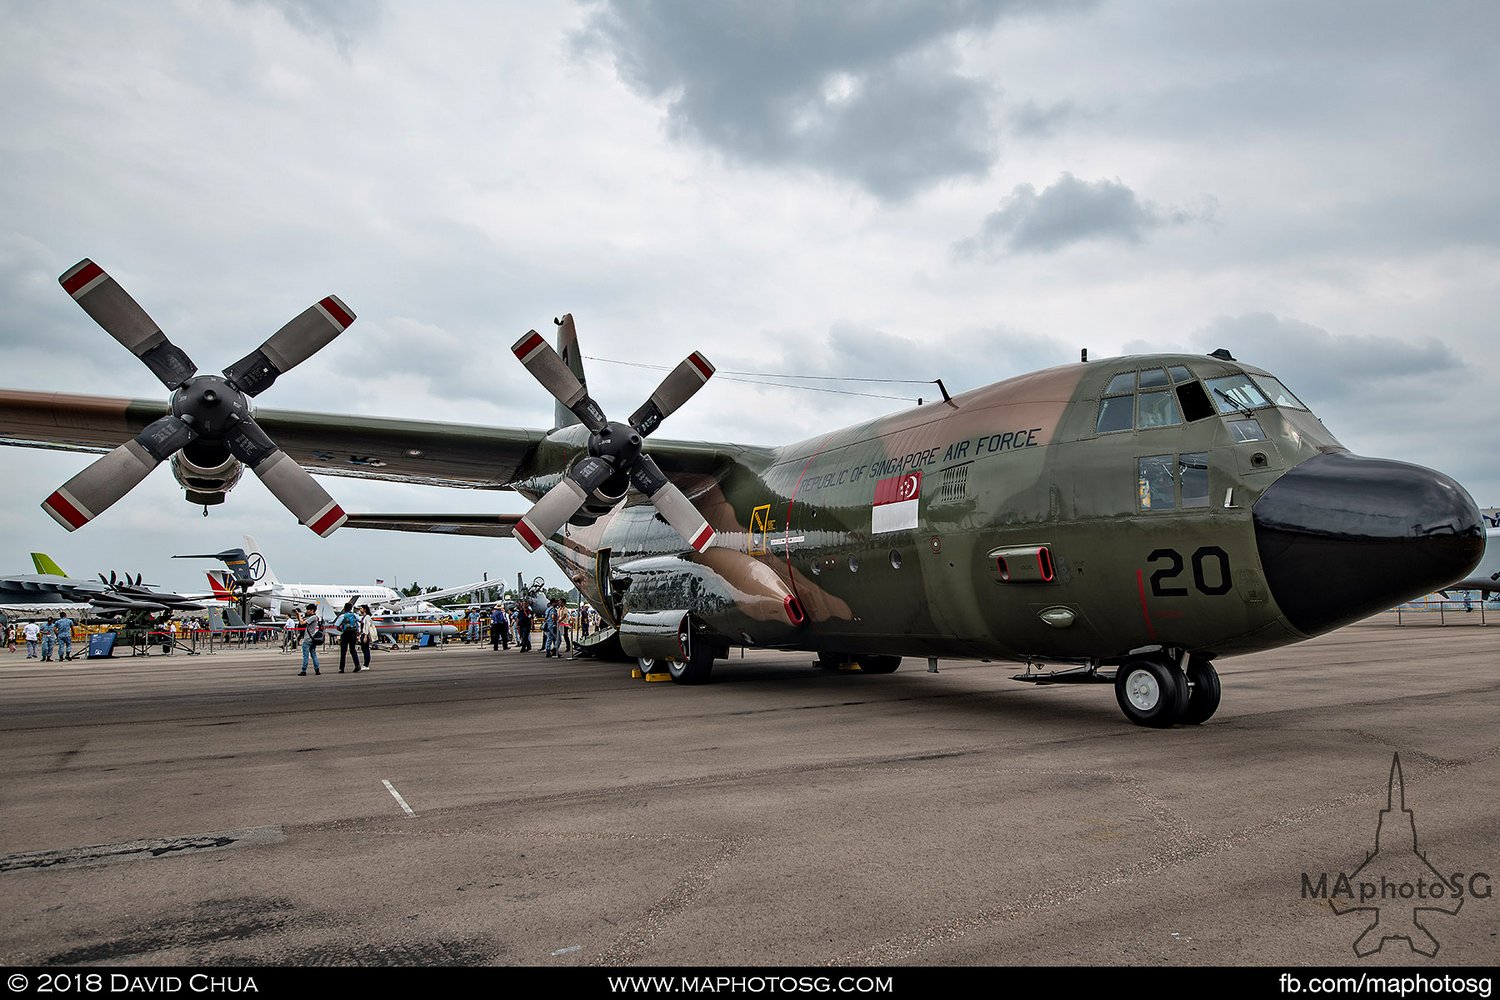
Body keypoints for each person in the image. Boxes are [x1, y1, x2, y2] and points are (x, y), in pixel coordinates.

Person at [333, 601, 362, 672]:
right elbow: (361, 621)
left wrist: (342, 631)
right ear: (351, 608)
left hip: (345, 634)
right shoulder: (354, 615)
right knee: (353, 650)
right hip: (353, 634)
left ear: (344, 608)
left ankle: (341, 668)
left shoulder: (342, 616)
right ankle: (357, 665)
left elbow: (337, 626)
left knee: (343, 651)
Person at [298, 603, 323, 676]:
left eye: (308, 610)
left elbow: (302, 623)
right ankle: (317, 669)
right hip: (313, 639)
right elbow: (301, 621)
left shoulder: (313, 617)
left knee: (306, 656)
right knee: (313, 654)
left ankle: (303, 670)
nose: (307, 611)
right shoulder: (315, 617)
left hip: (308, 639)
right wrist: (298, 615)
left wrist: (299, 615)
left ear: (312, 610)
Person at [358, 604, 376, 669]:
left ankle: (366, 665)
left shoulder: (367, 617)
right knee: (364, 649)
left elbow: (367, 627)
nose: (360, 610)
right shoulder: (364, 617)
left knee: (366, 649)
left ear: (365, 609)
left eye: (361, 608)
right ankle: (365, 664)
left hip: (365, 634)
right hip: (363, 634)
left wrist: (365, 636)